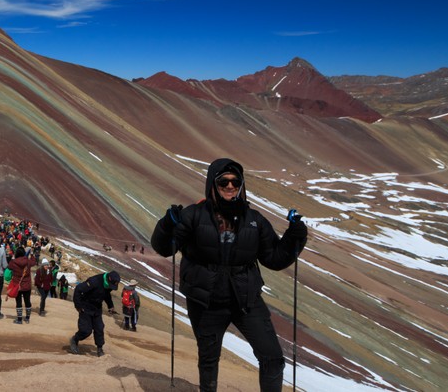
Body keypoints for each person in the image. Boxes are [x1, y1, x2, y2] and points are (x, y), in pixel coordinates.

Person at [151, 157, 307, 392]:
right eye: (224, 182)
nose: (230, 187)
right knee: (209, 361)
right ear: (213, 184)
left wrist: (295, 235)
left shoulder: (255, 220)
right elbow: (165, 248)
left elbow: (274, 258)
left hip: (246, 299)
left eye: (236, 182)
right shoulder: (192, 215)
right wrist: (167, 225)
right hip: (205, 301)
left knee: (273, 358)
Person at [69, 270, 120, 357]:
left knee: (99, 328)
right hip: (85, 307)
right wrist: (78, 306)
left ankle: (99, 349)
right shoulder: (94, 281)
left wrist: (110, 306)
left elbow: (107, 295)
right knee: (86, 330)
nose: (111, 287)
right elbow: (78, 289)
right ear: (108, 279)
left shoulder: (108, 284)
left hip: (97, 308)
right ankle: (75, 339)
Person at [7, 246, 37, 324]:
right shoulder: (28, 261)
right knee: (27, 301)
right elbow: (34, 262)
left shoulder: (13, 262)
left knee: (18, 302)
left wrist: (13, 257)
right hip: (27, 285)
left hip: (17, 285)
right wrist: (32, 255)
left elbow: (9, 267)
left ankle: (19, 319)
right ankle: (27, 318)